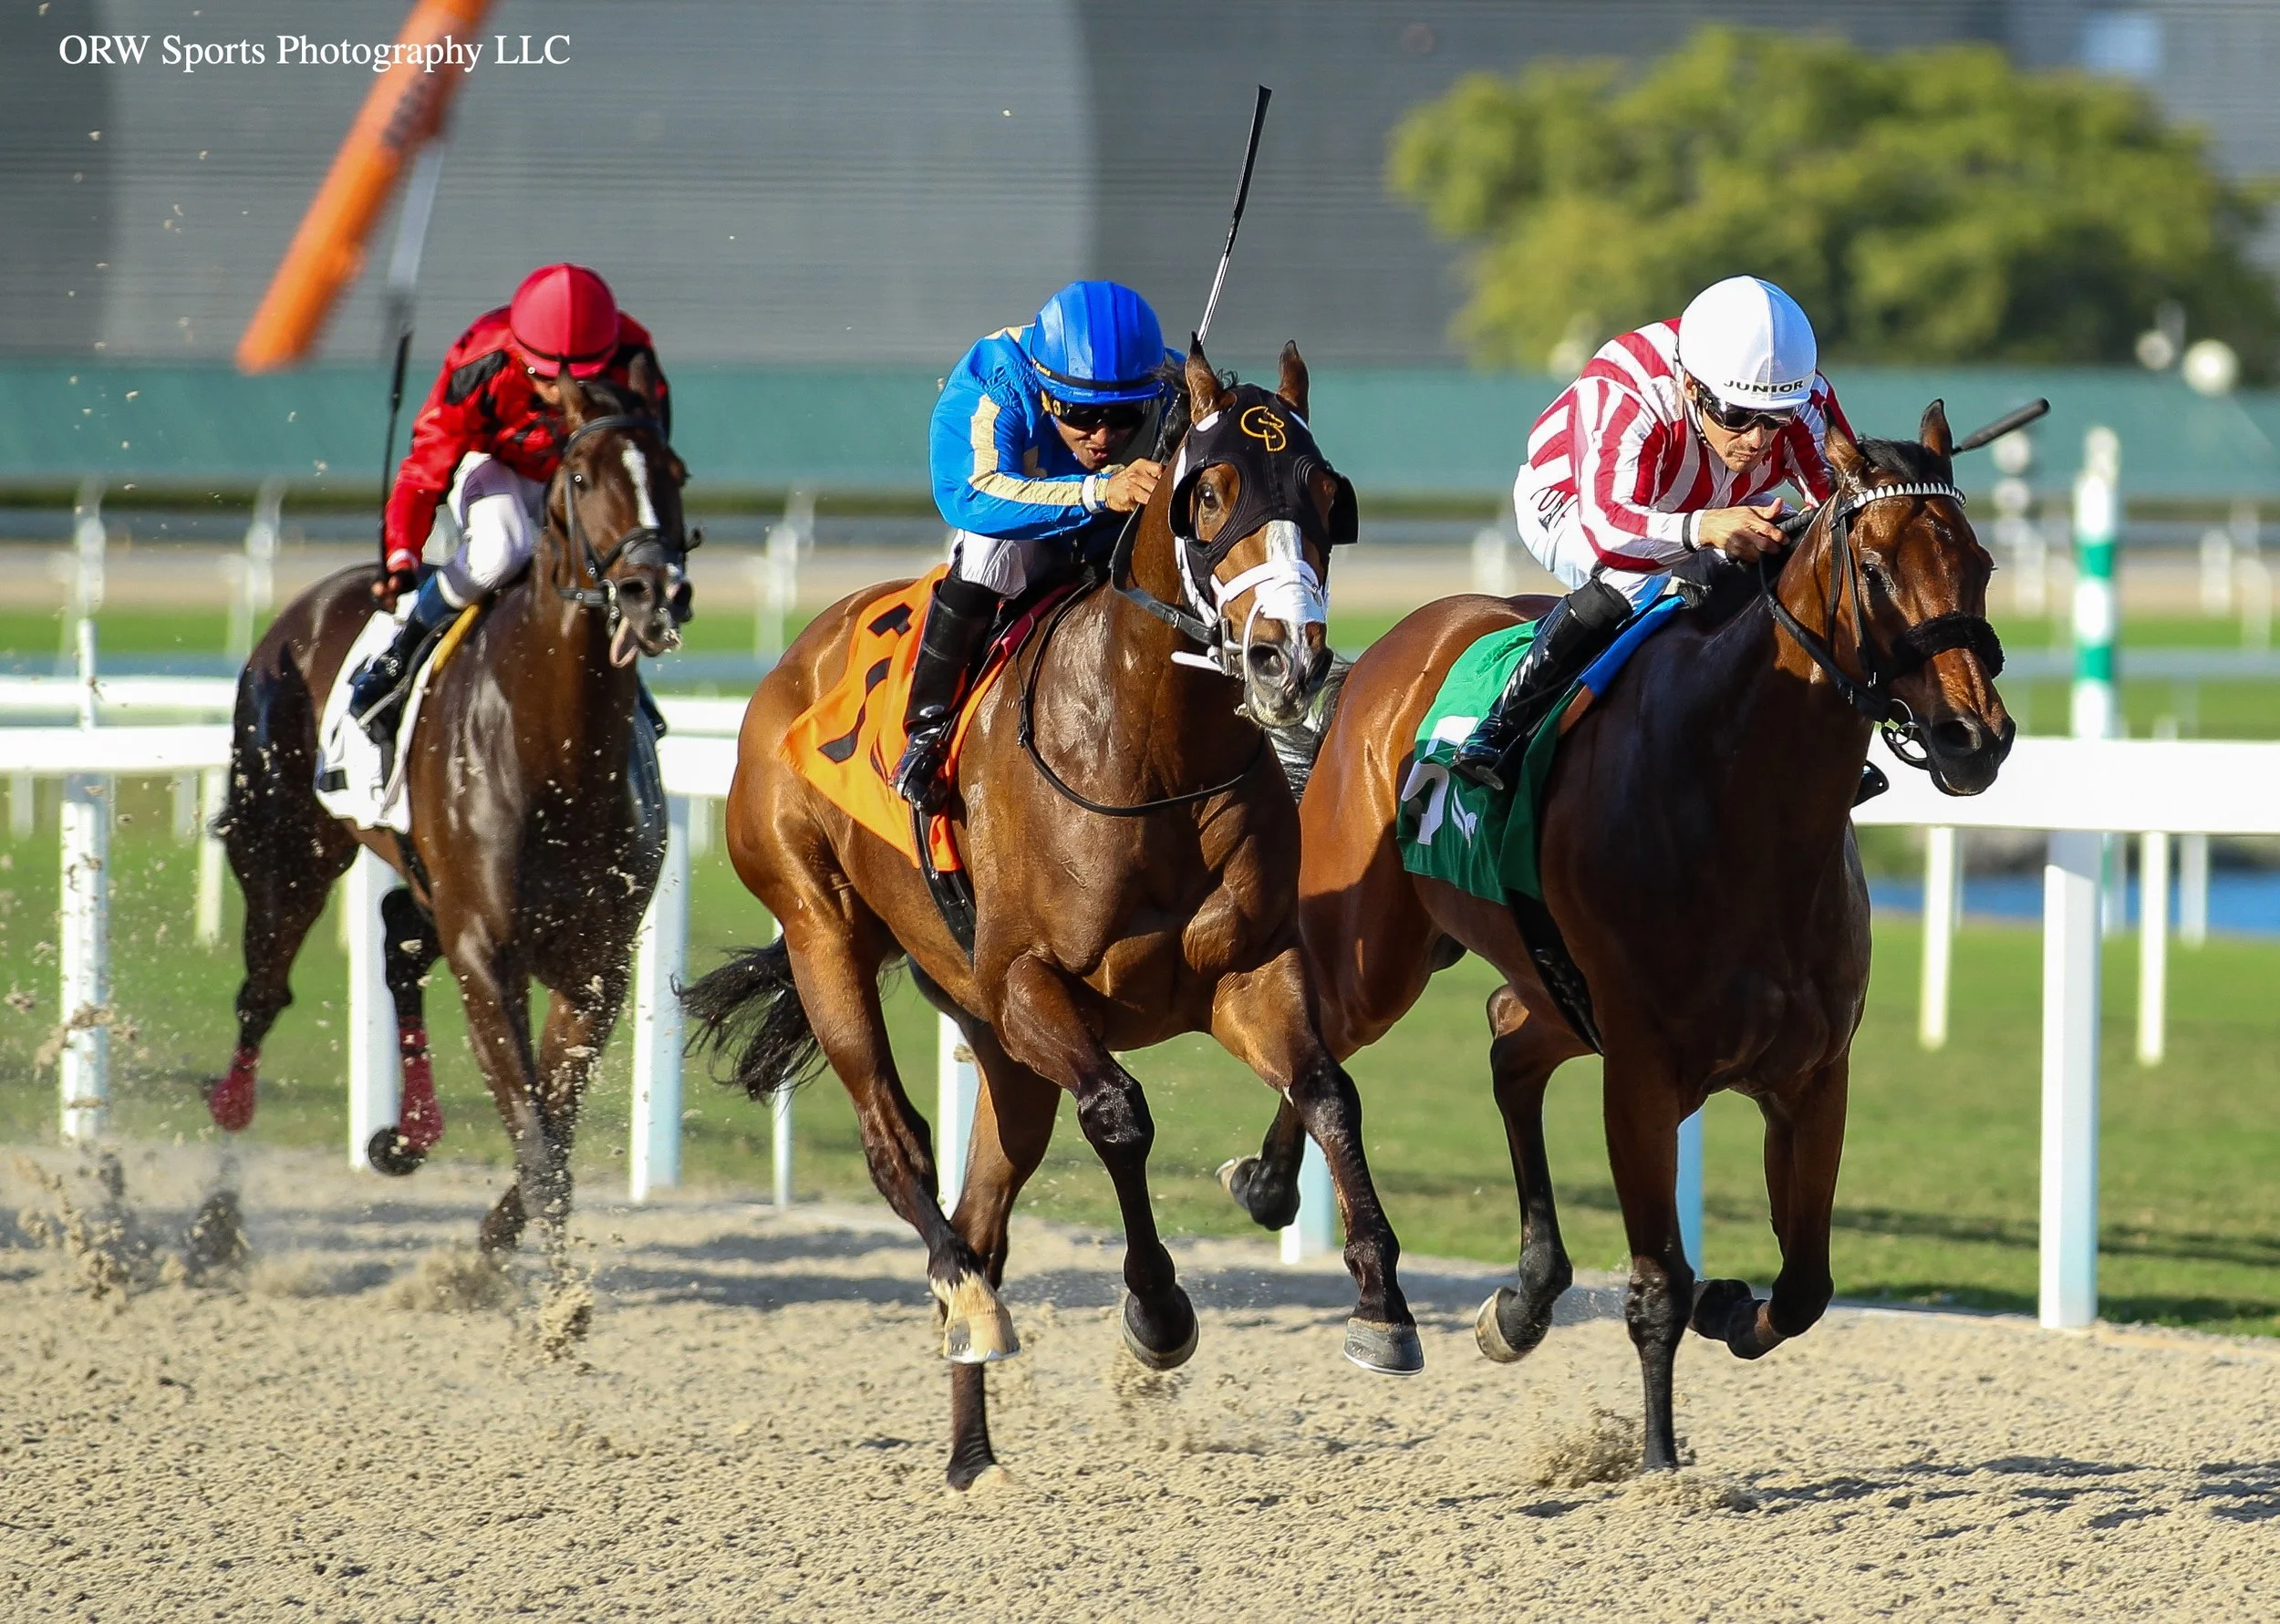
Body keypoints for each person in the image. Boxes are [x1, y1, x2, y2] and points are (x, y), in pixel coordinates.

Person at [1450, 274, 1854, 791]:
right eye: (1737, 417)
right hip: (1574, 501)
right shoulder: (1624, 387)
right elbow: (1610, 531)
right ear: (1691, 385)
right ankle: (1502, 730)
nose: (1757, 440)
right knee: (1635, 581)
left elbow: (1840, 506)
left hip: (1707, 504)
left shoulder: (1800, 395)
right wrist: (1707, 527)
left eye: (1776, 419)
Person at [346, 263, 670, 736]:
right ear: (519, 355)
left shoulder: (636, 357)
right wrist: (401, 552)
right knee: (502, 550)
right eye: (545, 378)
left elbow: (644, 460)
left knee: (610, 561)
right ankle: (402, 656)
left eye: (581, 379)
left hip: (583, 476)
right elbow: (425, 470)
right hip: (497, 467)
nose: (562, 395)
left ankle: (625, 686)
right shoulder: (481, 362)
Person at [890, 279, 1176, 810]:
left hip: (1116, 536)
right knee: (987, 549)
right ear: (1045, 390)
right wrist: (1097, 491)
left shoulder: (1168, 382)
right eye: (1082, 415)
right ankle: (926, 732)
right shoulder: (993, 380)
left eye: (1123, 416)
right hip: (1027, 536)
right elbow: (967, 496)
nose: (1104, 436)